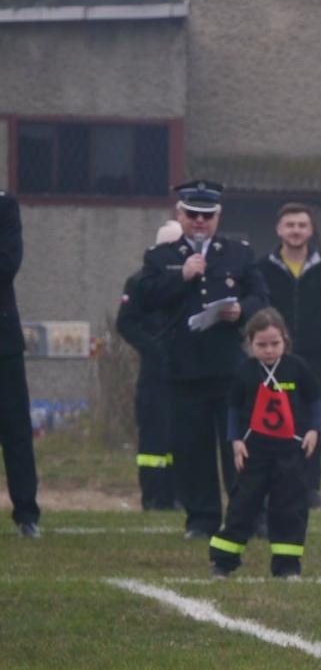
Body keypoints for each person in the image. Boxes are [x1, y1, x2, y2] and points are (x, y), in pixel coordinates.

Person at [137, 180, 268, 538]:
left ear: (217, 217)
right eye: (193, 214)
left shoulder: (238, 253)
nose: (199, 221)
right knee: (192, 449)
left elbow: (261, 295)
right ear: (179, 214)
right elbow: (145, 299)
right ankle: (201, 518)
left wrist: (241, 310)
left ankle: (247, 516)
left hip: (228, 367)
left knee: (239, 446)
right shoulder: (160, 257)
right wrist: (181, 276)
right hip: (183, 368)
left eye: (207, 216)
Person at [208, 308, 321, 579]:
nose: (269, 350)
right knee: (241, 507)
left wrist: (313, 430)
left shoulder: (297, 368)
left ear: (285, 340)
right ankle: (223, 562)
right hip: (255, 453)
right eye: (262, 345)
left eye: (275, 343)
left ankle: (287, 566)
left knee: (290, 508)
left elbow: (315, 400)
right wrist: (235, 441)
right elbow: (233, 408)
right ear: (250, 343)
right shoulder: (245, 372)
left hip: (290, 452)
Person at [258, 203, 321, 509]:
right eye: (290, 225)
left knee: (312, 420)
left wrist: (317, 332)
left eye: (301, 225)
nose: (295, 231)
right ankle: (275, 486)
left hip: (315, 358)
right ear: (279, 229)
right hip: (274, 359)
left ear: (310, 230)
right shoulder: (263, 268)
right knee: (274, 422)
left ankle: (309, 488)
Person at [116, 219, 183, 511]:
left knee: (183, 436)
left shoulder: (194, 281)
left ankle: (180, 494)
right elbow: (125, 323)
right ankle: (155, 497)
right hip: (156, 374)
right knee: (155, 438)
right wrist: (154, 348)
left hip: (188, 372)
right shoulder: (139, 282)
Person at [0, 189, 41, 538]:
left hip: (2, 342)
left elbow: (7, 263)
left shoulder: (5, 207)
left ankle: (26, 514)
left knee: (15, 430)